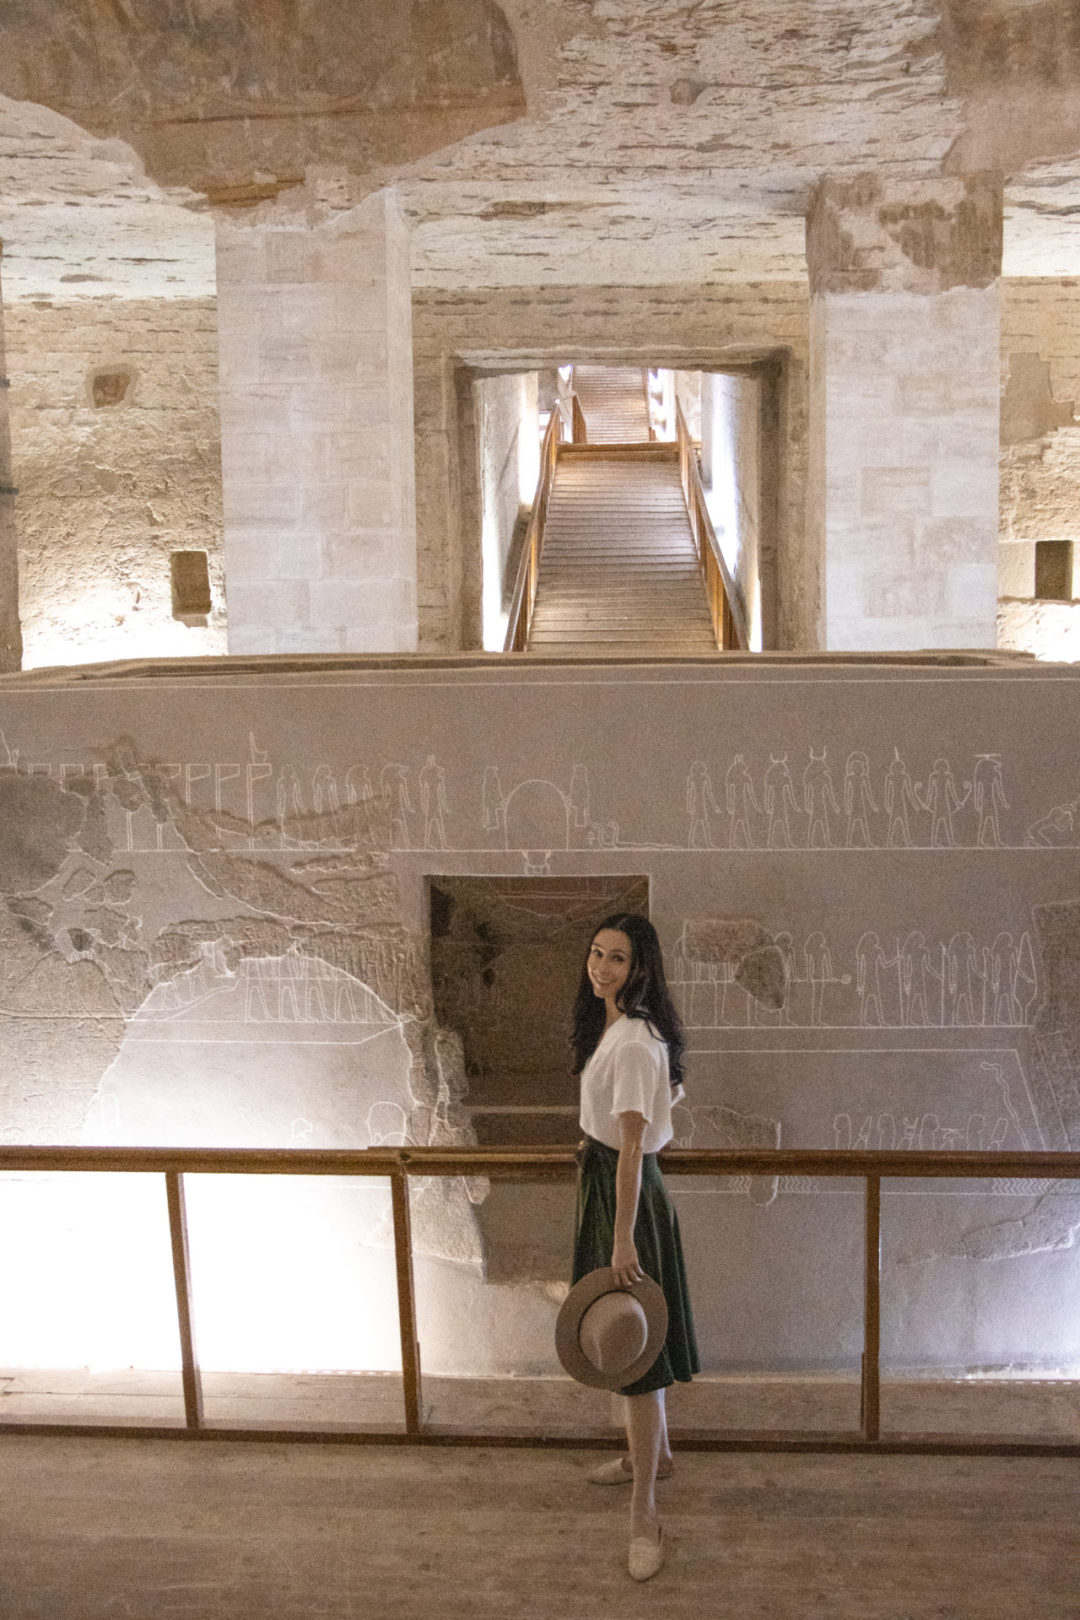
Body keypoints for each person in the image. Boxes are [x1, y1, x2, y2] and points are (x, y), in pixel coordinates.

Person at [570, 912, 699, 1581]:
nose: (601, 967)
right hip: (614, 1187)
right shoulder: (627, 1028)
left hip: (626, 1199)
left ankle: (644, 1514)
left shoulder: (634, 1043)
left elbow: (630, 1148)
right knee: (627, 1342)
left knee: (634, 1350)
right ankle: (656, 1458)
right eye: (596, 953)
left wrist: (622, 1237)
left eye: (616, 958)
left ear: (639, 966)